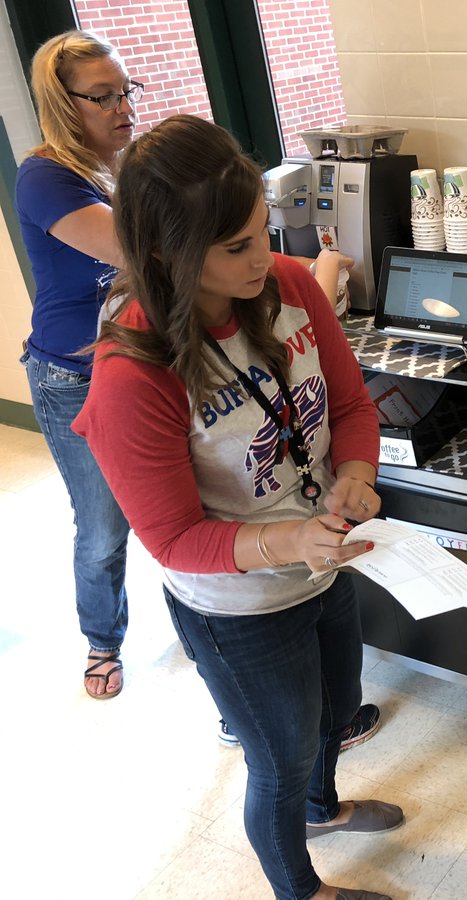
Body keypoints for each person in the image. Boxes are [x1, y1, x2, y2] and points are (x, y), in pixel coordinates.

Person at [74, 115, 400, 900]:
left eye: (262, 231)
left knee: (337, 710)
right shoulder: (133, 373)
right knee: (278, 759)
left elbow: (353, 404)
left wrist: (354, 476)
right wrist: (296, 538)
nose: (265, 258)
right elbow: (175, 538)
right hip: (237, 607)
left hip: (322, 562)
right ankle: (300, 888)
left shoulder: (286, 287)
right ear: (165, 251)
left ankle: (325, 808)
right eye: (235, 248)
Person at [16, 30, 140, 699]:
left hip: (139, 363)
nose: (123, 108)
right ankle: (103, 640)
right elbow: (138, 251)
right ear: (65, 105)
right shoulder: (44, 176)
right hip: (73, 376)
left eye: (126, 92)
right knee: (102, 525)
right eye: (103, 98)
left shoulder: (123, 163)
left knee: (184, 507)